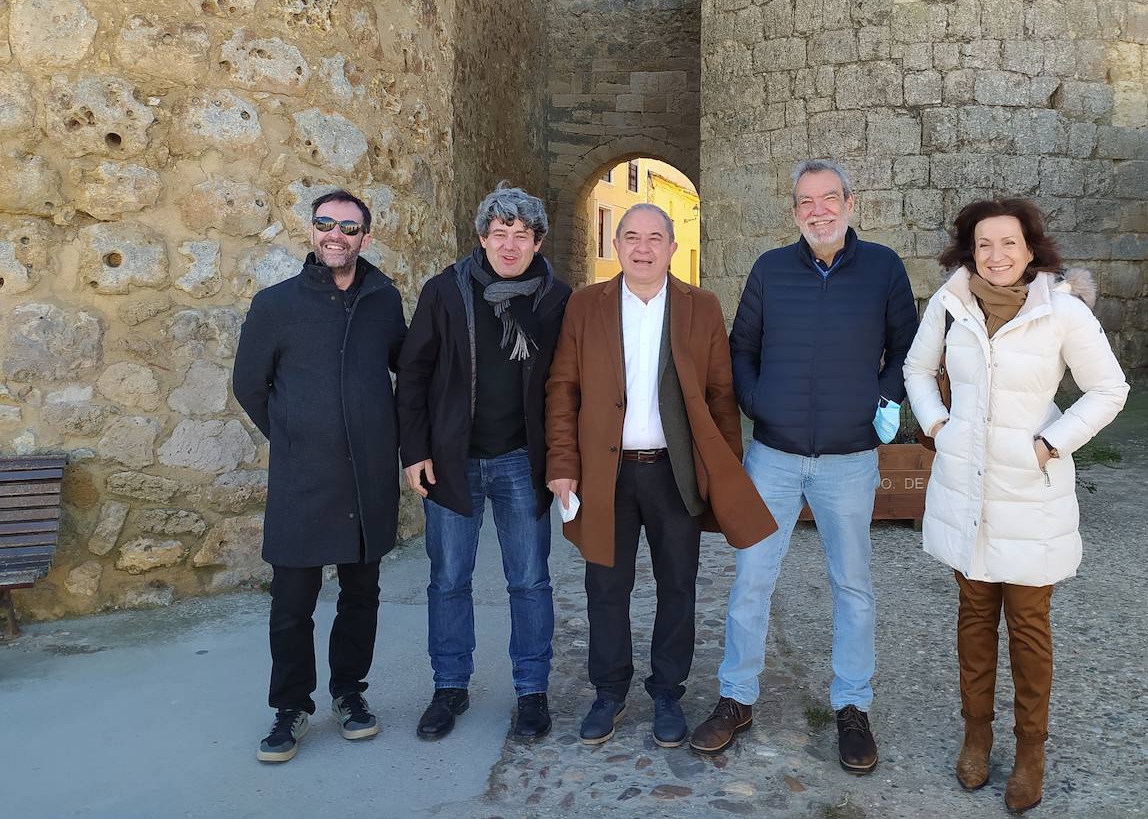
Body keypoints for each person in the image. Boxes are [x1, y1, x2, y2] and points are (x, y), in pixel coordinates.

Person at [690, 159, 919, 774]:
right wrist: (761, 403)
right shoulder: (770, 269)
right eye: (804, 203)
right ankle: (737, 698)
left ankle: (852, 707)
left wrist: (883, 399)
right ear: (793, 212)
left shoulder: (883, 268)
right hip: (774, 457)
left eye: (828, 199)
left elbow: (908, 345)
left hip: (849, 459)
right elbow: (741, 347)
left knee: (853, 587)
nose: (817, 211)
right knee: (751, 582)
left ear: (850, 201)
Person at [902, 198, 1129, 814]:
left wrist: (1053, 441)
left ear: (1031, 249)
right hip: (966, 490)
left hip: (1031, 494)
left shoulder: (1062, 312)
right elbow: (917, 370)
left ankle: (1031, 750)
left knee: (1028, 627)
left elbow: (1109, 389)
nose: (996, 256)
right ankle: (977, 734)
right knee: (975, 619)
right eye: (983, 245)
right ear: (968, 251)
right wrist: (937, 425)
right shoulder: (950, 306)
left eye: (1008, 243)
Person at [545, 203, 776, 749]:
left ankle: (668, 692)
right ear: (618, 246)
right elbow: (562, 389)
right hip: (606, 475)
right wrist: (562, 466)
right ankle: (609, 692)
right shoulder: (585, 305)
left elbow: (721, 395)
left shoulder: (701, 306)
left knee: (678, 587)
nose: (642, 248)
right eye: (631, 237)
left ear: (673, 247)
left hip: (674, 474)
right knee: (605, 587)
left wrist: (721, 468)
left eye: (655, 237)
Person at [232, 189, 407, 763]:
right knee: (292, 604)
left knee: (362, 596)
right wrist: (290, 437)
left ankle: (349, 694)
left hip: (367, 479)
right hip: (301, 480)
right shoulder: (274, 304)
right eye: (326, 224)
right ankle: (291, 708)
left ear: (365, 237)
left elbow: (404, 369)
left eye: (349, 228)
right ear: (312, 231)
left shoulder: (384, 300)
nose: (337, 235)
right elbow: (249, 386)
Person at [395, 183, 571, 742]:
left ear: (538, 242)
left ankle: (531, 693)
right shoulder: (446, 291)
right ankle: (450, 688)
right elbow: (414, 375)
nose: (511, 246)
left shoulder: (555, 298)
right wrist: (415, 451)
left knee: (530, 580)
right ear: (482, 237)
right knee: (448, 579)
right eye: (501, 234)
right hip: (454, 460)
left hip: (523, 460)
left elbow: (569, 384)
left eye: (522, 235)